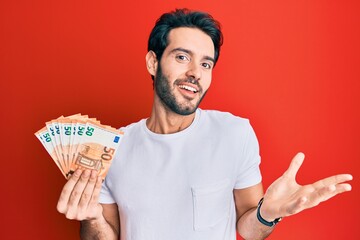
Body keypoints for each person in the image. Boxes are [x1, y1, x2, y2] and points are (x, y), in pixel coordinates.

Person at [56, 9, 352, 240]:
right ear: (152, 62)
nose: (195, 73)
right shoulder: (113, 147)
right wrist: (92, 218)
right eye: (182, 57)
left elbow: (250, 229)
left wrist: (268, 214)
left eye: (206, 64)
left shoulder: (234, 133)